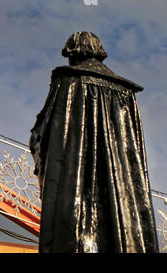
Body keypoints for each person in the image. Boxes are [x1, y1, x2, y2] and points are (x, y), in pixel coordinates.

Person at [29, 31, 159, 253]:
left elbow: (43, 133)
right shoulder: (126, 94)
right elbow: (134, 152)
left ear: (73, 52)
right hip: (121, 188)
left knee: (72, 233)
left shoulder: (67, 82)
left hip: (73, 184)